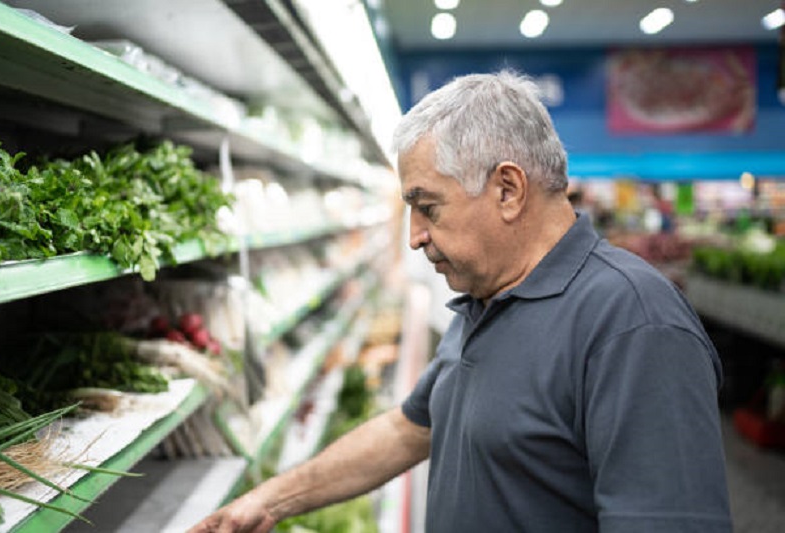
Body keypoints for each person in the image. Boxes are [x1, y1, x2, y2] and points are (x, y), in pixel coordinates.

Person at [188, 70, 732, 533]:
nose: (414, 236)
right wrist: (270, 502)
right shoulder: (487, 295)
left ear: (508, 190)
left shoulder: (634, 325)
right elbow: (410, 428)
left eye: (428, 207)